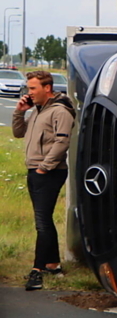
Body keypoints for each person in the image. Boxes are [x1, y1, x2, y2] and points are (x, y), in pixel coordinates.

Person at [12, 70, 76, 291]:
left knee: (41, 222)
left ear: (46, 88)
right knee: (44, 219)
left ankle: (37, 270)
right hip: (36, 171)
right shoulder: (38, 111)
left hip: (50, 172)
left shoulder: (60, 111)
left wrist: (44, 168)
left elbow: (62, 143)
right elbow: (18, 133)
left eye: (33, 88)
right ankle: (53, 264)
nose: (29, 92)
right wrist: (20, 113)